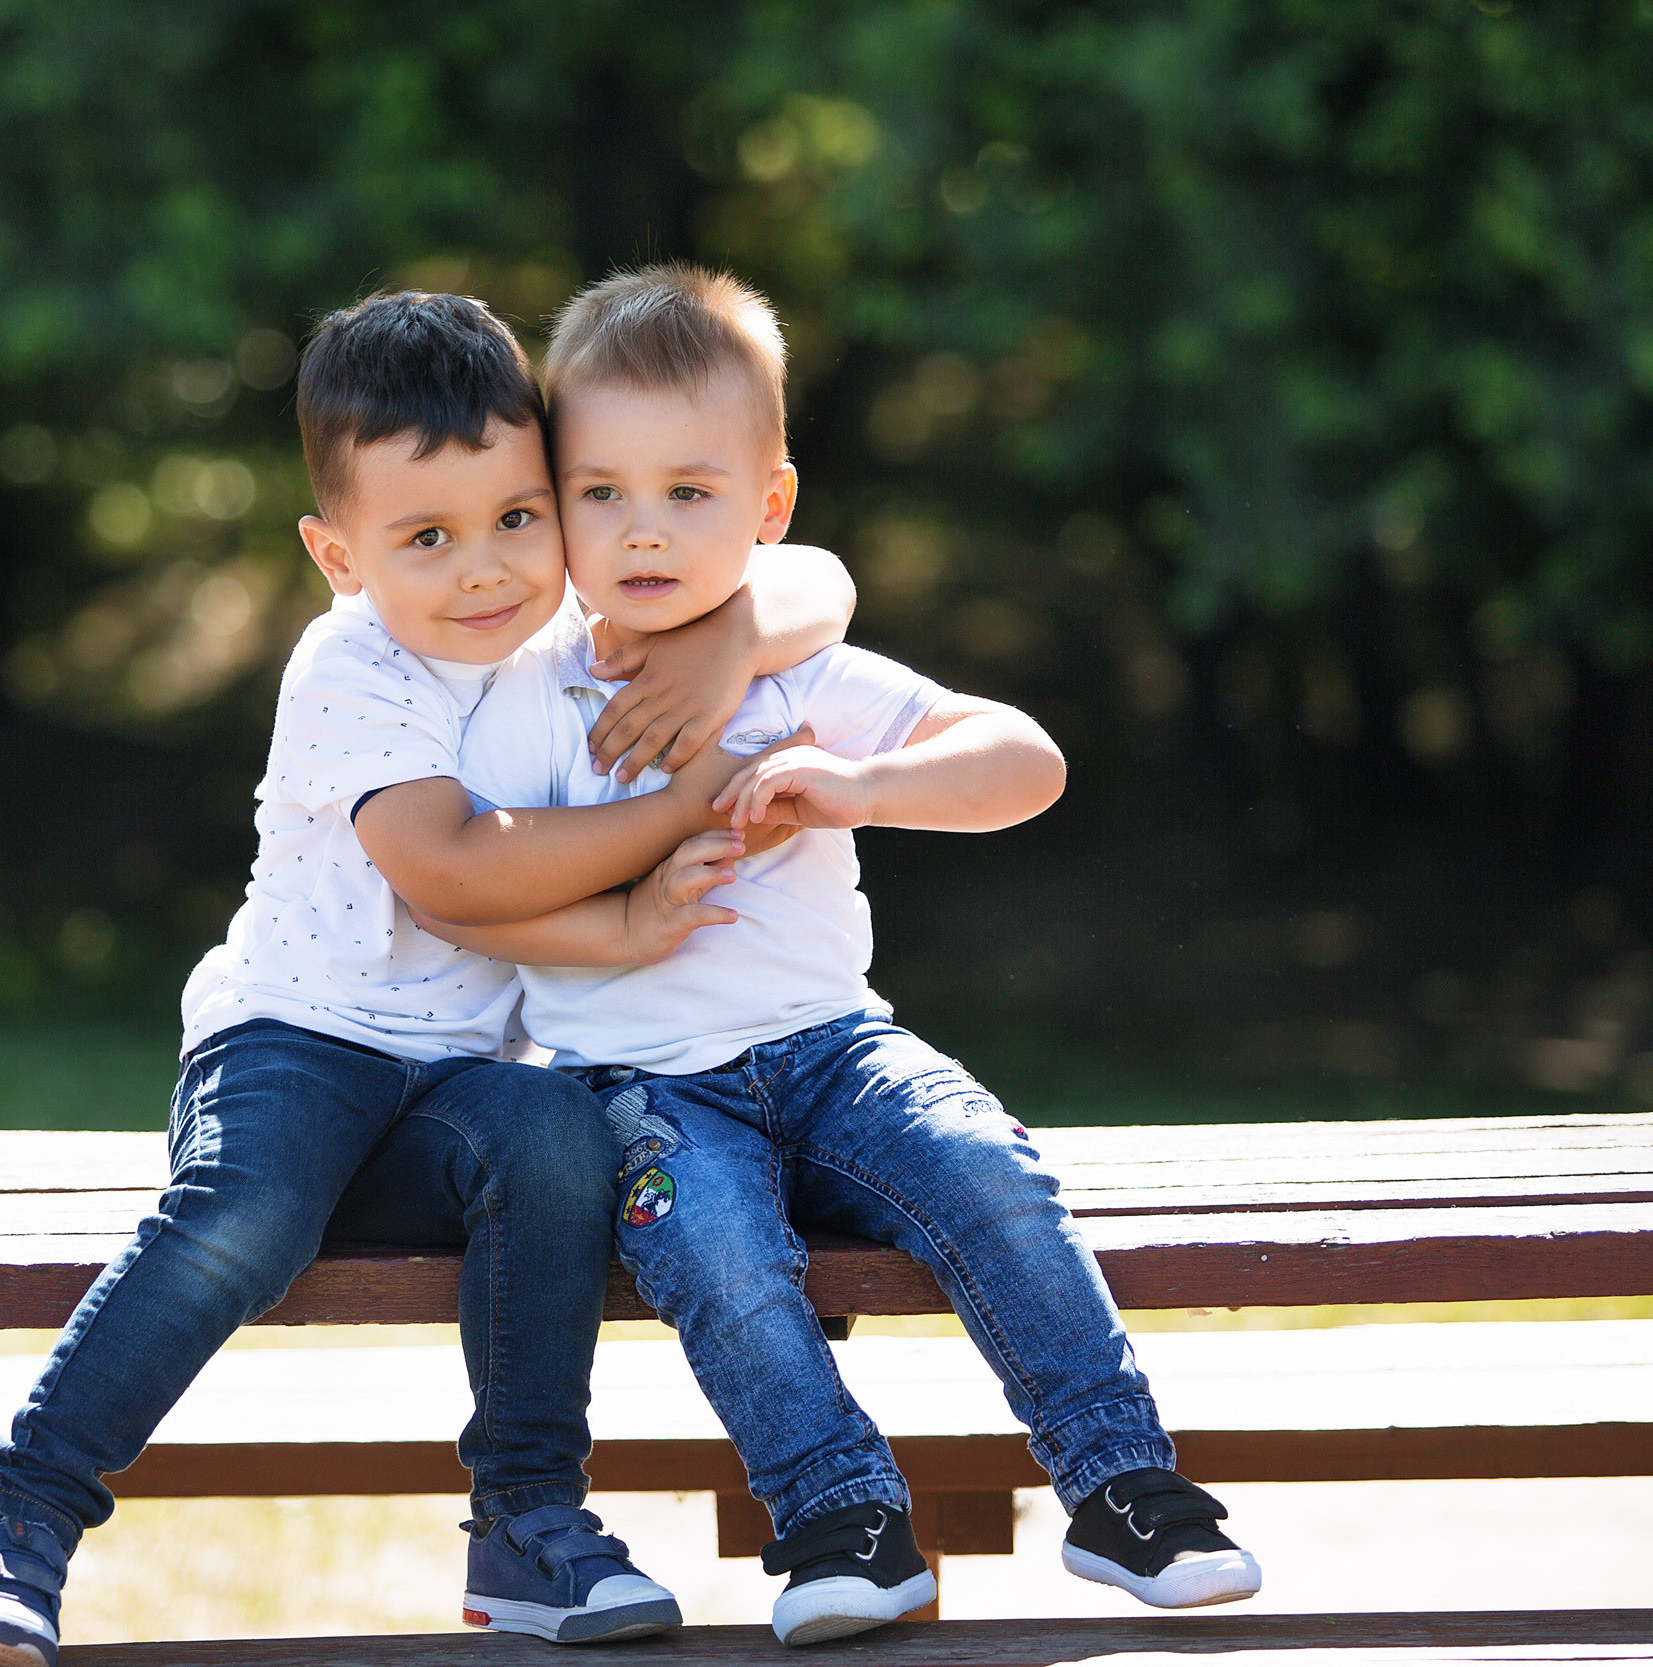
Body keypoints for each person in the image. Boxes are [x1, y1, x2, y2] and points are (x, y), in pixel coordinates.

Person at [0, 288, 857, 1667]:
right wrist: (686, 800)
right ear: (335, 554)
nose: (485, 570)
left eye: (519, 519)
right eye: (427, 537)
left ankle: (527, 1526)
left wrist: (727, 639)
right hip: (293, 1043)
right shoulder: (352, 671)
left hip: (459, 1081)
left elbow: (815, 576)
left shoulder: (573, 630)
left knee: (551, 1143)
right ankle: (18, 1526)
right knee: (250, 1213)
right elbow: (458, 870)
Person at [436, 265, 1264, 1647]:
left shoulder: (798, 675)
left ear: (769, 510)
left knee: (988, 1173)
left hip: (835, 1046)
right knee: (717, 1253)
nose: (644, 532)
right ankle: (842, 1516)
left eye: (690, 495)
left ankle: (1124, 1488)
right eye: (603, 494)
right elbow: (474, 886)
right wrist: (634, 877)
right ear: (554, 501)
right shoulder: (526, 696)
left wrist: (857, 784)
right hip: (636, 1084)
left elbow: (1026, 762)